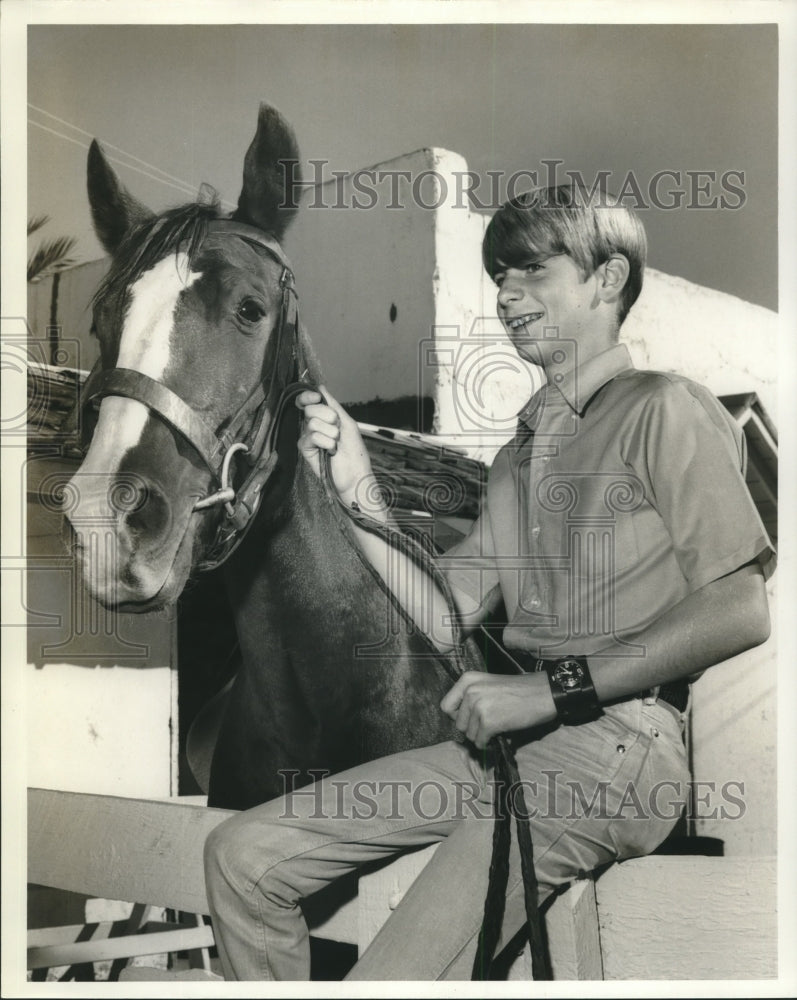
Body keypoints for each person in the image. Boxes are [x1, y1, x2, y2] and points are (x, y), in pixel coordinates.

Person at [203, 183, 775, 980]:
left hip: (617, 751)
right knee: (241, 855)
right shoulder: (516, 456)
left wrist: (551, 691)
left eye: (532, 271)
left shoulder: (662, 408)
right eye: (498, 276)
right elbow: (445, 615)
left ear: (607, 281)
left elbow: (740, 607)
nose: (506, 294)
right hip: (509, 747)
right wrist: (356, 490)